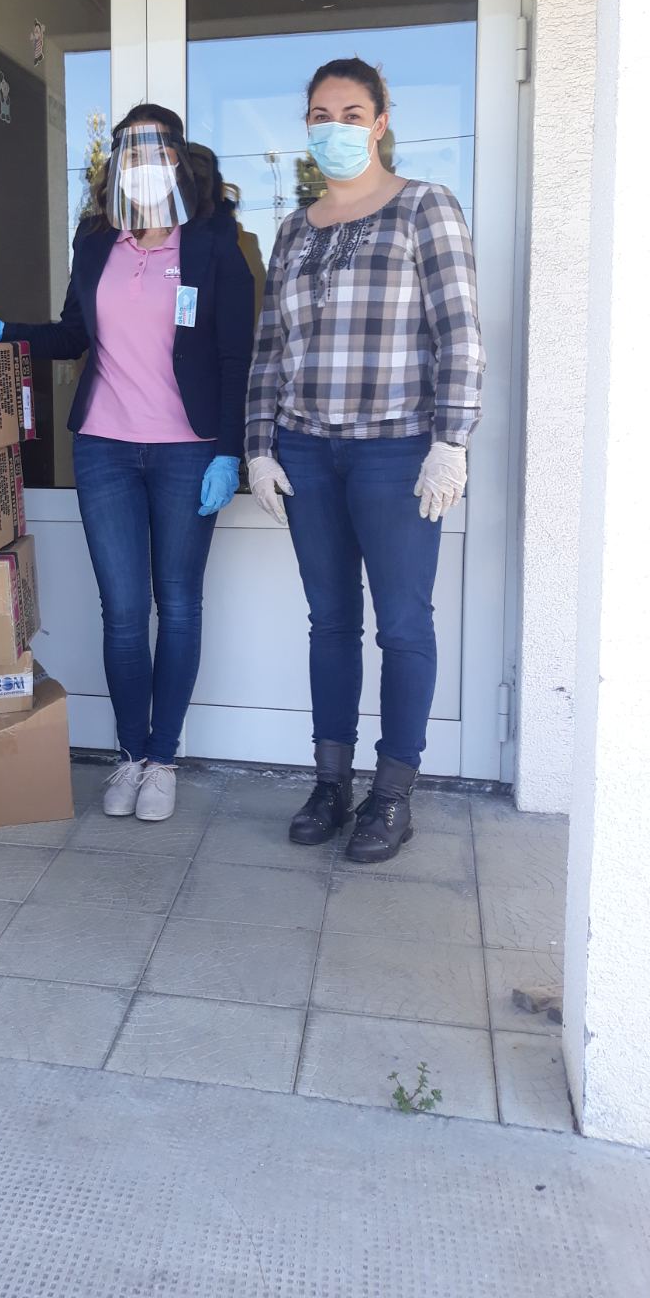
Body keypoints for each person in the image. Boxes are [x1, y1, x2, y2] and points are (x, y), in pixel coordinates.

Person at [0, 105, 254, 822]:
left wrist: (230, 452)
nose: (142, 165)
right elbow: (73, 336)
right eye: (129, 154)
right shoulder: (97, 240)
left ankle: (163, 760)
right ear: (116, 166)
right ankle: (129, 755)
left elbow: (236, 356)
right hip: (104, 448)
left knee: (177, 605)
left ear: (178, 159)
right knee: (122, 612)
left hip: (188, 451)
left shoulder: (214, 243)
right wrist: (8, 332)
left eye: (154, 152)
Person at [246, 59, 484, 863]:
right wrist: (258, 447)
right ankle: (330, 783)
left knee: (404, 624)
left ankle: (392, 795)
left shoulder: (424, 207)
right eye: (321, 114)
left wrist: (450, 441)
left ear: (381, 123)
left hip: (396, 450)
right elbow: (269, 349)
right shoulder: (294, 230)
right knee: (331, 622)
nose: (335, 128)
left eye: (352, 114)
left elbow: (459, 332)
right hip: (308, 450)